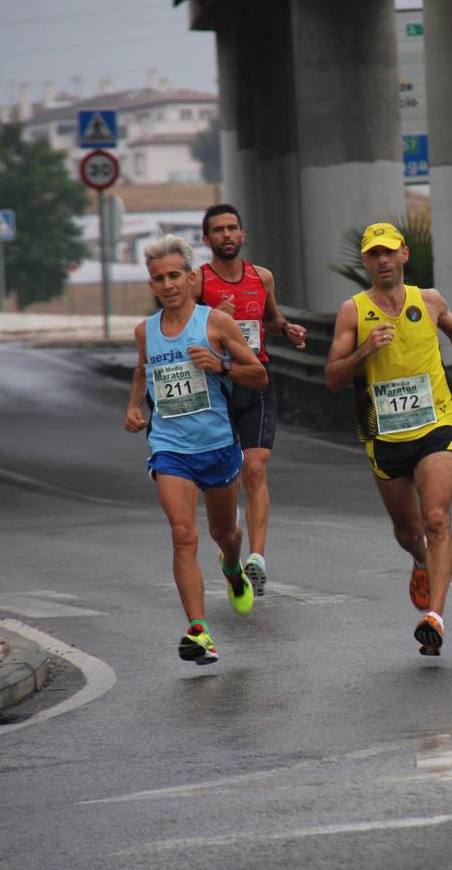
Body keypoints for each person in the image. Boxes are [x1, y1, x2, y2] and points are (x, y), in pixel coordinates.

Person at [324, 222, 452, 657]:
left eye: (388, 252)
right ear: (366, 262)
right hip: (384, 434)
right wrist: (365, 351)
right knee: (408, 530)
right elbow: (332, 377)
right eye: (373, 254)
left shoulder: (430, 300)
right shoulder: (354, 311)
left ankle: (434, 618)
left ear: (403, 255)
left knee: (436, 518)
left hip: (435, 424)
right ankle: (419, 559)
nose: (382, 261)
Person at [125, 234, 269, 665]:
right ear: (150, 285)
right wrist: (134, 406)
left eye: (174, 276)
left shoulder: (214, 325)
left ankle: (231, 567)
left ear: (191, 278)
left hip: (218, 446)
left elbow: (258, 375)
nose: (167, 285)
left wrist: (220, 364)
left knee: (224, 534)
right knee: (183, 534)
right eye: (157, 279)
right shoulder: (144, 332)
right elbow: (140, 371)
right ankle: (199, 631)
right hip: (170, 448)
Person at [193, 204, 308, 597]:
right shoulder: (197, 282)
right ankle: (230, 549)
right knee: (224, 482)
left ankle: (256, 558)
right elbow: (176, 332)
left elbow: (270, 319)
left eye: (232, 228)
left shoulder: (262, 277)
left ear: (243, 235)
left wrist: (288, 328)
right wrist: (211, 318)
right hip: (213, 388)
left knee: (256, 469)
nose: (227, 235)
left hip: (254, 381)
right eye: (218, 230)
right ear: (206, 240)